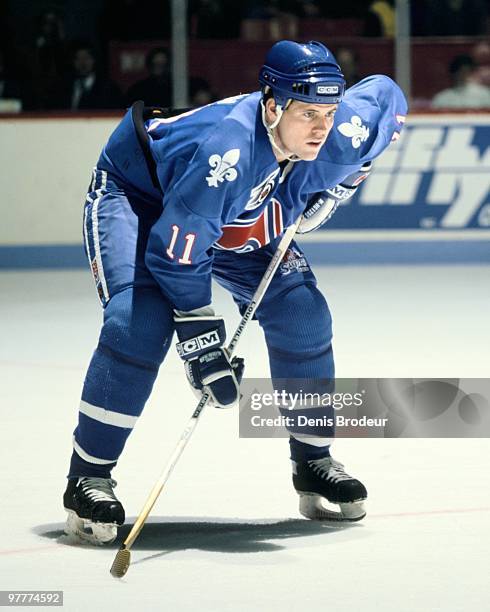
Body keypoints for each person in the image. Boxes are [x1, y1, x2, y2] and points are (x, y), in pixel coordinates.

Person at [62, 40, 408, 544]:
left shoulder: (342, 132)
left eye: (329, 112)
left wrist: (345, 180)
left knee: (302, 313)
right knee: (138, 324)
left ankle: (312, 461)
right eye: (308, 113)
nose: (322, 127)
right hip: (145, 201)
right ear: (272, 106)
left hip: (235, 209)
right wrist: (202, 344)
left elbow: (387, 97)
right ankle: (87, 476)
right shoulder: (225, 151)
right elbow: (175, 255)